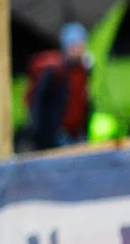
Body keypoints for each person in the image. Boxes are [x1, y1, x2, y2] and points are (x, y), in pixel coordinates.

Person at [26, 22, 93, 150]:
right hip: (58, 133)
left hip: (77, 132)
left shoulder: (84, 70)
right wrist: (38, 130)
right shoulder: (55, 71)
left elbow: (84, 100)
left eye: (81, 45)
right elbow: (39, 100)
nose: (79, 49)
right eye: (75, 45)